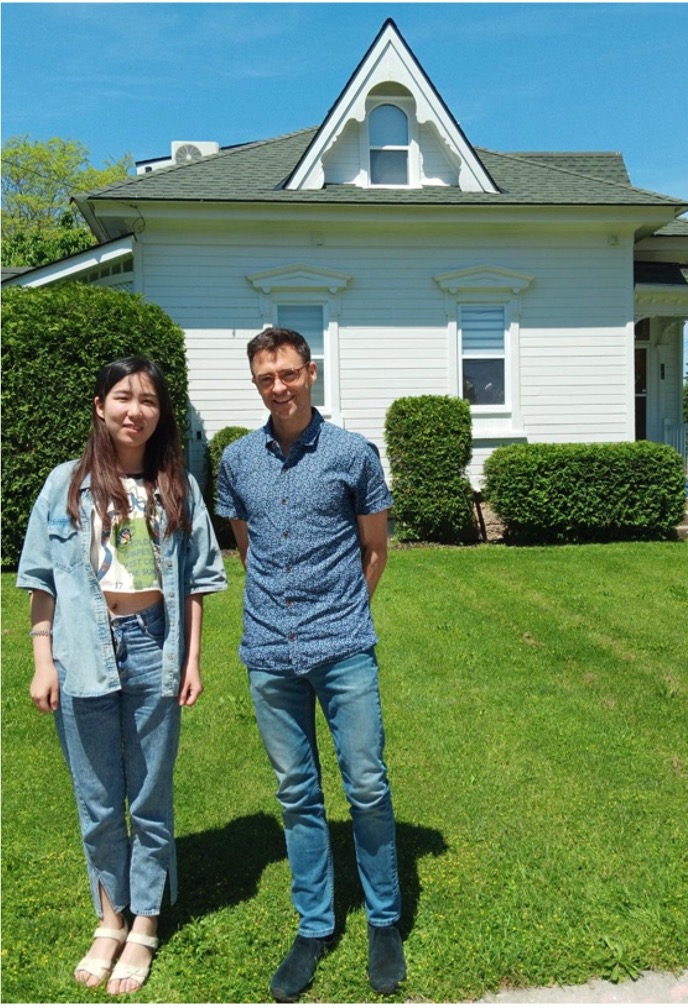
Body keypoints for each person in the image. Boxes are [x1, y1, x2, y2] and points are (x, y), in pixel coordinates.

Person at [16, 357, 227, 996]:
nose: (135, 411)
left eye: (149, 401)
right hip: (83, 651)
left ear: (161, 414)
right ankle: (110, 920)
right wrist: (42, 658)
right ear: (100, 407)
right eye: (122, 398)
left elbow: (196, 582)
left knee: (150, 800)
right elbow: (39, 576)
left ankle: (147, 923)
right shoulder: (64, 484)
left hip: (154, 649)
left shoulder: (178, 485)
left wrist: (190, 659)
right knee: (99, 802)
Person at [217, 328, 404, 1002]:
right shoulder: (236, 459)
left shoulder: (354, 453)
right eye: (266, 378)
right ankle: (315, 924)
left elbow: (375, 549)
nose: (279, 387)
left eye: (289, 373)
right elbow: (248, 550)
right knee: (296, 793)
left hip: (343, 646)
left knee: (367, 784)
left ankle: (384, 919)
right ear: (256, 382)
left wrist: (343, 615)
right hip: (268, 651)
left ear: (311, 372)